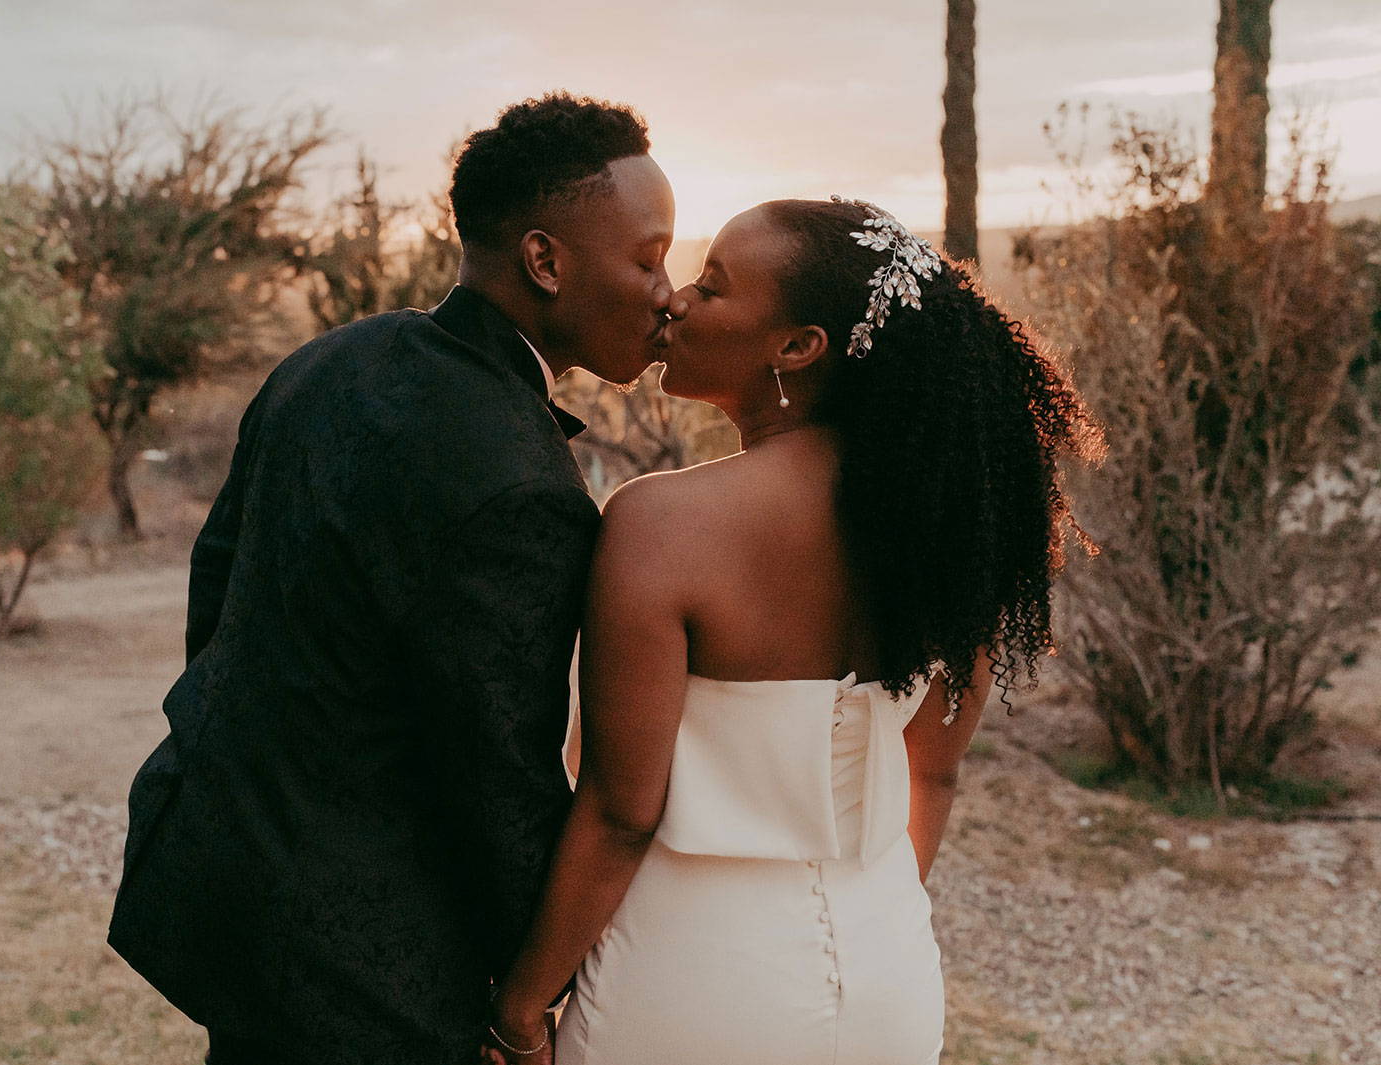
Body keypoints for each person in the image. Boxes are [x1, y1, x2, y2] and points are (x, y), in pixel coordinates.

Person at [105, 92, 677, 1065]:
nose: (667, 290)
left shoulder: (325, 364)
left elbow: (218, 597)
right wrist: (530, 990)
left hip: (226, 894)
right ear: (543, 260)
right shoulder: (524, 487)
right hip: (369, 971)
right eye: (648, 257)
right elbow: (499, 775)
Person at [482, 197, 1102, 1064]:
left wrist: (519, 1005)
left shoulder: (664, 522)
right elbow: (938, 769)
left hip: (690, 981)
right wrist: (866, 918)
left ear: (797, 345)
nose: (678, 302)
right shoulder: (951, 525)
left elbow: (622, 808)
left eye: (714, 286)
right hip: (887, 971)